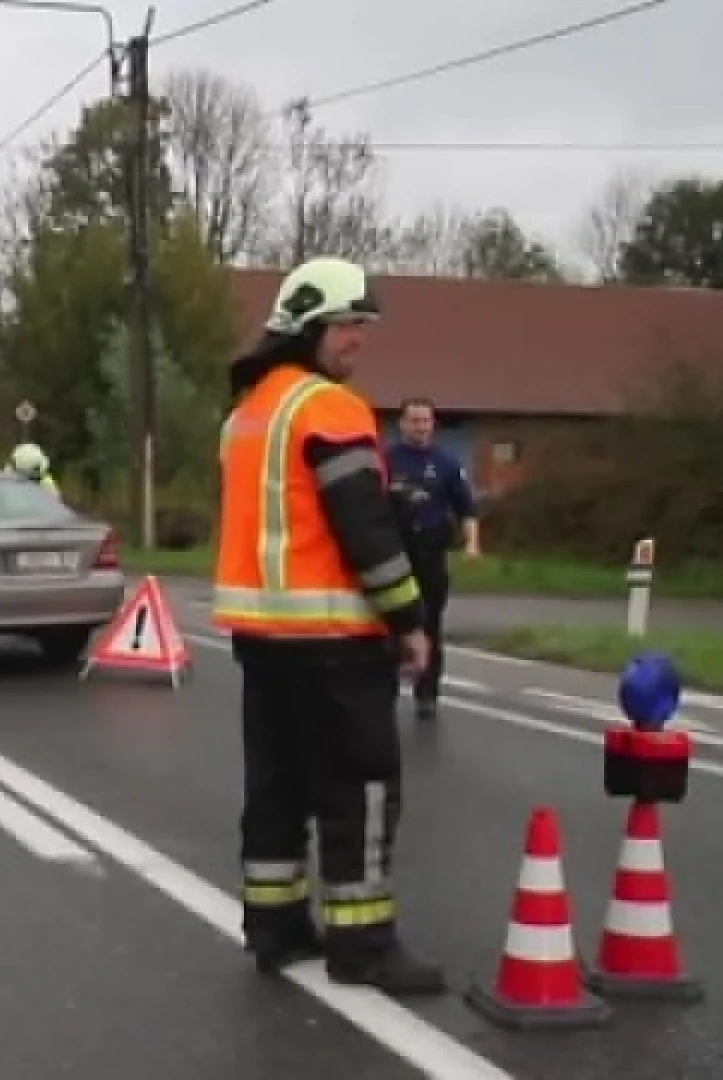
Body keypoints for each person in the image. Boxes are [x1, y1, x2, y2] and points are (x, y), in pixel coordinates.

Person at [213, 256, 442, 996]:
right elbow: (365, 531)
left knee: (276, 786)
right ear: (308, 326)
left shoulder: (247, 413)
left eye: (363, 327)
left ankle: (275, 928)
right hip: (335, 643)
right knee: (361, 786)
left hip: (259, 639)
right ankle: (364, 944)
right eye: (348, 325)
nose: (358, 341)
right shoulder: (329, 410)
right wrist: (409, 620)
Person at [385, 398, 481, 720]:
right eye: (414, 420)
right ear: (402, 424)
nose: (420, 427)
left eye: (425, 421)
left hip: (430, 551)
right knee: (389, 622)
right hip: (394, 553)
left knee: (429, 623)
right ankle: (385, 685)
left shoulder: (446, 463)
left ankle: (426, 692)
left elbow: (467, 509)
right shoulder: (387, 460)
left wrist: (472, 544)